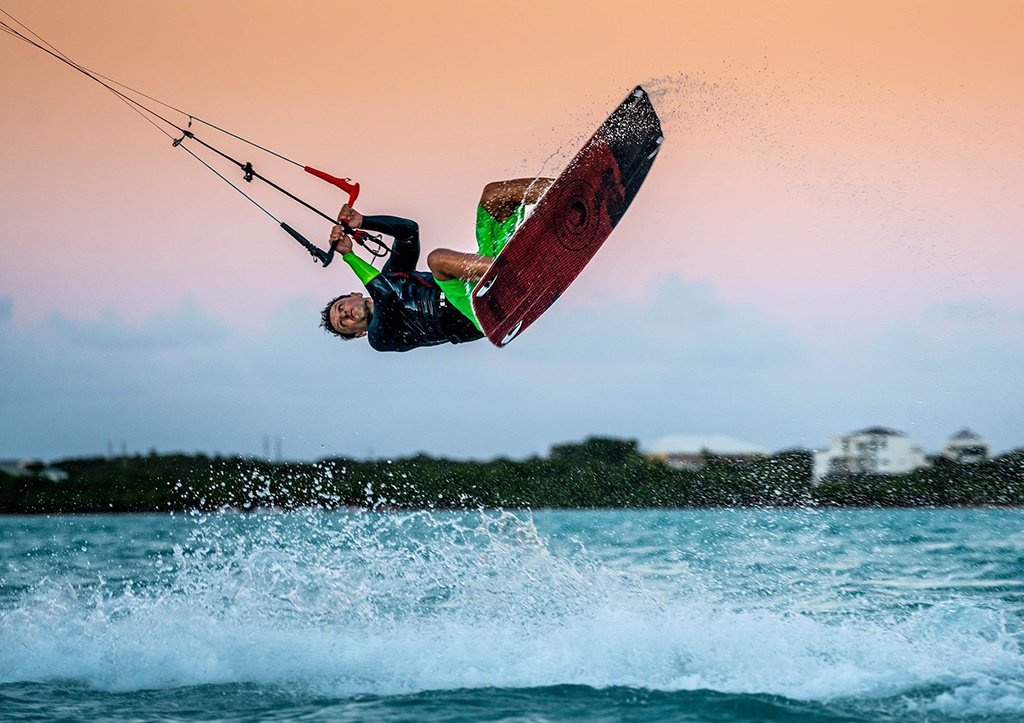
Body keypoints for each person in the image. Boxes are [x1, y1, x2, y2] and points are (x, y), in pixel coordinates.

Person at [320, 178, 552, 352]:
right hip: (476, 315)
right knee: (437, 260)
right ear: (359, 333)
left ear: (354, 294)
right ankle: (519, 271)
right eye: (344, 323)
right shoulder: (379, 338)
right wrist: (350, 255)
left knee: (494, 196)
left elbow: (409, 232)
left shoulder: (393, 275)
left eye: (340, 308)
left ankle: (572, 192)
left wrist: (363, 221)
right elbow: (385, 296)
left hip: (482, 279)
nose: (345, 315)